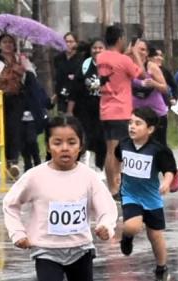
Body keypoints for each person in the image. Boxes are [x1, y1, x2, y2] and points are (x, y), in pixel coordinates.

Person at [2, 116, 117, 281]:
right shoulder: (35, 176)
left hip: (80, 250)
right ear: (48, 146)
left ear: (81, 146)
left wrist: (105, 226)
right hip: (46, 251)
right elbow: (10, 204)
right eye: (57, 142)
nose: (64, 148)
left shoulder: (89, 177)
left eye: (71, 142)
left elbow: (107, 206)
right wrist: (18, 233)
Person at [115, 107, 178, 281]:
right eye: (130, 122)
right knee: (132, 226)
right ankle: (127, 237)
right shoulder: (124, 144)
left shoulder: (158, 150)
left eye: (138, 123)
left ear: (150, 129)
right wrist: (119, 174)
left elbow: (169, 170)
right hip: (130, 194)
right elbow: (118, 158)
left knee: (155, 235)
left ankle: (161, 268)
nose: (132, 127)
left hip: (152, 198)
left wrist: (166, 182)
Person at [96, 25, 143, 196]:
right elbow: (141, 74)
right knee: (120, 151)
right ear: (120, 39)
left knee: (110, 150)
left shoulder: (101, 57)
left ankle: (112, 185)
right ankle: (117, 187)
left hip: (105, 108)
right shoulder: (124, 60)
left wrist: (126, 55)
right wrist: (135, 53)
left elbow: (116, 67)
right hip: (120, 109)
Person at [0, 33, 36, 178]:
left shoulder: (20, 59)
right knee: (5, 131)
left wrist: (24, 67)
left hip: (18, 99)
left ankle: (13, 161)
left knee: (16, 129)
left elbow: (31, 76)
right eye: (5, 42)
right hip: (2, 99)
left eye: (10, 42)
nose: (8, 45)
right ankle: (7, 163)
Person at [68, 39, 106, 173]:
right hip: (84, 109)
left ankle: (99, 168)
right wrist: (70, 111)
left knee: (101, 139)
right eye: (95, 48)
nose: (97, 50)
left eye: (100, 48)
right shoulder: (85, 65)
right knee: (84, 137)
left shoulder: (109, 66)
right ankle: (83, 165)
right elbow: (75, 90)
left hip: (103, 109)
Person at [130, 38, 170, 146]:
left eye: (143, 50)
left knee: (159, 146)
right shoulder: (128, 65)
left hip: (156, 113)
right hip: (137, 114)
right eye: (137, 49)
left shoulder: (152, 66)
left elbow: (165, 88)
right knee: (139, 145)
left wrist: (154, 83)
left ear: (147, 53)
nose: (139, 52)